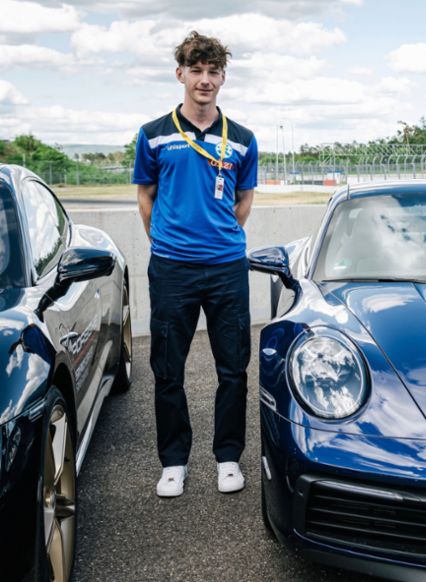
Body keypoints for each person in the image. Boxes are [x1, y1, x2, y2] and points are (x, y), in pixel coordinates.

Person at [133, 31, 258, 497]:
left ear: (223, 76)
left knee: (233, 368)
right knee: (168, 368)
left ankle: (228, 457)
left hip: (227, 267)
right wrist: (168, 242)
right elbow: (146, 198)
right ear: (181, 74)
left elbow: (243, 201)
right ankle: (174, 461)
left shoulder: (243, 139)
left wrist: (219, 239)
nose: (204, 80)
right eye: (196, 70)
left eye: (213, 71)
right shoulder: (153, 133)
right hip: (172, 268)